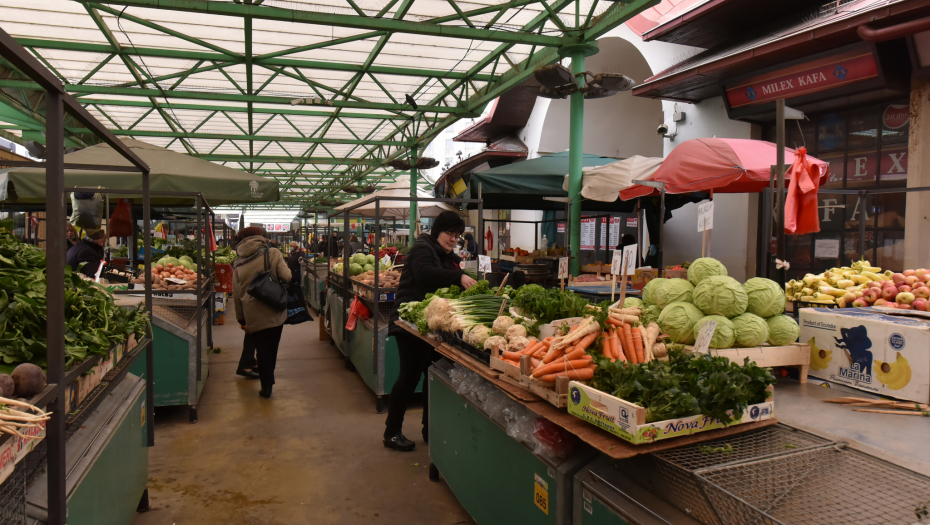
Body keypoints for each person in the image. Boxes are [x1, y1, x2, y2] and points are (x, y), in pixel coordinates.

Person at [383, 211, 477, 451]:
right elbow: (425, 276)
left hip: (428, 327)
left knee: (432, 375)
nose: (453, 239)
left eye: (457, 236)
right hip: (409, 323)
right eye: (449, 234)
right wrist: (458, 277)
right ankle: (391, 433)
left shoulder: (447, 255)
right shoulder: (422, 249)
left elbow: (450, 274)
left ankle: (429, 429)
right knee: (409, 377)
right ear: (438, 232)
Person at [232, 226, 292, 398]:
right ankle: (268, 382)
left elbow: (236, 293)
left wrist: (240, 318)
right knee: (271, 349)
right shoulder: (272, 253)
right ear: (261, 237)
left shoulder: (238, 260)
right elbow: (287, 276)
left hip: (252, 313)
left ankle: (266, 385)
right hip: (274, 309)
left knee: (261, 349)